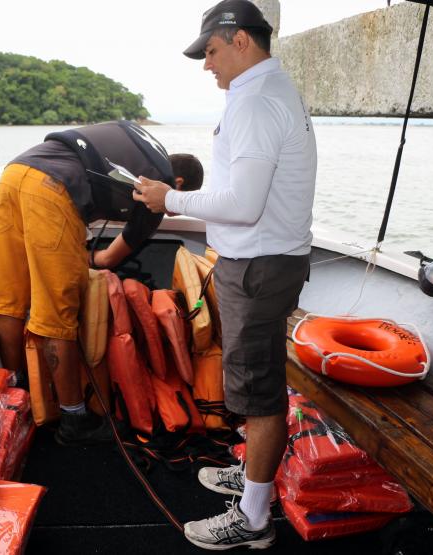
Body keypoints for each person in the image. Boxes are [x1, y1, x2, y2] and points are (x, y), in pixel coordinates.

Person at [133, 0, 316, 550]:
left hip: (258, 267)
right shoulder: (268, 91)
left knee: (258, 394)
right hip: (268, 262)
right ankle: (254, 477)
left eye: (211, 52)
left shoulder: (256, 102)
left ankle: (254, 519)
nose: (206, 64)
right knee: (254, 383)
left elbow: (243, 202)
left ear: (241, 40)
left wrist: (171, 198)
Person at [0, 120, 203, 447]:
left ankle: (14, 399)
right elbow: (110, 258)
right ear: (178, 183)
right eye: (181, 201)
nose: (172, 213)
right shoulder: (158, 189)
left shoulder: (143, 150)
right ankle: (75, 421)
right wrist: (81, 257)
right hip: (52, 189)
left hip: (16, 173)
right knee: (58, 315)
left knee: (8, 297)